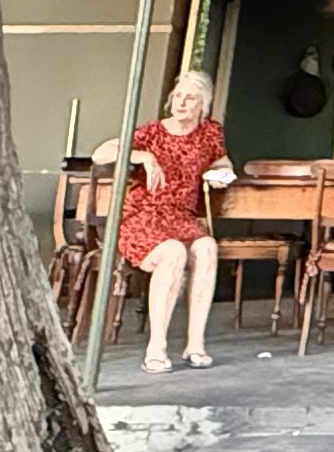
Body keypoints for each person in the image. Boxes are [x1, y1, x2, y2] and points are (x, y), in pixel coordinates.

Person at [97, 68, 237, 371]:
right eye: (178, 96)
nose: (182, 103)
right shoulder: (152, 132)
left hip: (180, 218)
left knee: (208, 247)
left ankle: (195, 344)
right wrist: (143, 157)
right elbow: (101, 153)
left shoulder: (209, 132)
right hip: (143, 217)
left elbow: (222, 160)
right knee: (173, 252)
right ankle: (156, 347)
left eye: (190, 98)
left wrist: (220, 174)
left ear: (203, 105)